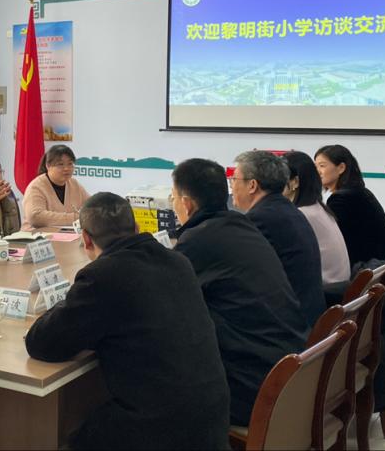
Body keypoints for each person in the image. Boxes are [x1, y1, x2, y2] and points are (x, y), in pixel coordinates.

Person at [25, 193, 230, 450]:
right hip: (212, 419)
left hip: (162, 429)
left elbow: (42, 343)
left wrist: (64, 302)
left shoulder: (103, 276)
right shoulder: (178, 261)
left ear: (85, 238)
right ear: (137, 227)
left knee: (73, 437)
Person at [170, 158, 307, 426]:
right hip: (289, 370)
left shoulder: (197, 241)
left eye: (173, 198)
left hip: (255, 389)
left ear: (186, 204)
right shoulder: (241, 225)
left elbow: (163, 303)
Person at [232, 150, 326, 327]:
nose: (231, 186)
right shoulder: (289, 211)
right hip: (308, 317)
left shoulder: (260, 219)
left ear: (252, 185)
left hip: (290, 326)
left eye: (234, 179)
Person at [314, 145, 385, 269]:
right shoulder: (359, 192)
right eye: (315, 166)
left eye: (322, 166)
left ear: (341, 168)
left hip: (372, 269)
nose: (317, 171)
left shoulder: (341, 199)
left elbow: (334, 243)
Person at [282, 151, 350, 285]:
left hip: (326, 290)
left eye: (279, 177)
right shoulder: (317, 208)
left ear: (295, 182)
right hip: (338, 286)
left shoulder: (301, 214)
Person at [21, 145, 90, 230]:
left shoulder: (73, 184)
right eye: (60, 164)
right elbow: (35, 216)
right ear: (48, 166)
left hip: (65, 235)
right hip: (35, 236)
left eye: (70, 164)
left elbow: (91, 205)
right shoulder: (36, 187)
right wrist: (76, 218)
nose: (66, 168)